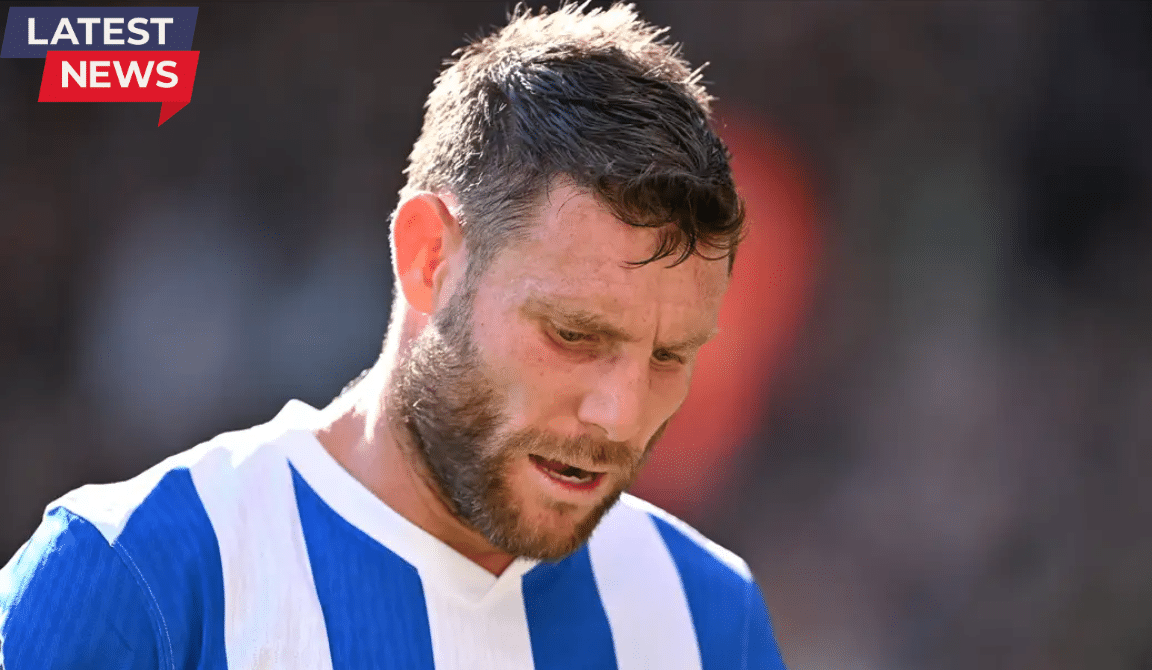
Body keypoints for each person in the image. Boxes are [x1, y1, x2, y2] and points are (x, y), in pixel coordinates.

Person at [0, 3, 786, 668]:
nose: (619, 413)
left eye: (670, 356)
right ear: (428, 258)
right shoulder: (134, 577)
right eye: (575, 334)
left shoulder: (709, 620)